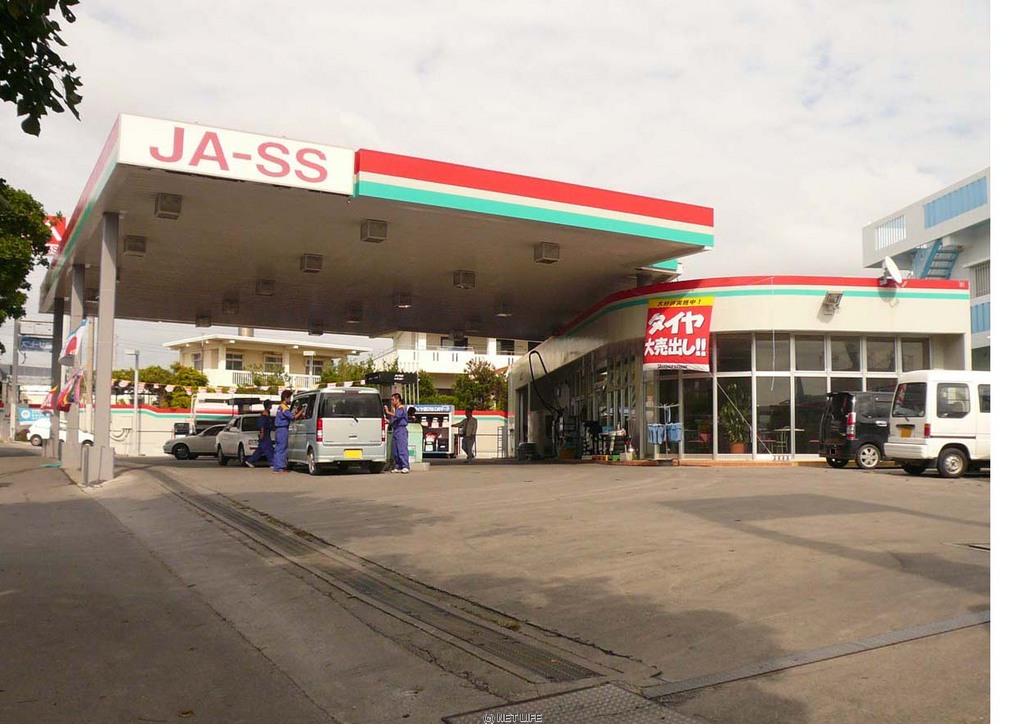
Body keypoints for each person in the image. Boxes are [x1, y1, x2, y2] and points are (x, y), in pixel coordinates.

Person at [271, 390, 303, 474]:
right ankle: (280, 468)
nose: (290, 400)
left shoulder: (280, 407)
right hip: (283, 429)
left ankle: (276, 467)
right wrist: (301, 411)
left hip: (278, 430)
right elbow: (293, 417)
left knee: (278, 448)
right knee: (282, 448)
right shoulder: (285, 408)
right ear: (286, 398)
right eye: (289, 398)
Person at [384, 392, 410, 473]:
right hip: (395, 430)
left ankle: (405, 466)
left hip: (401, 430)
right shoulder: (395, 409)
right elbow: (393, 421)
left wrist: (388, 412)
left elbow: (397, 416)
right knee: (395, 450)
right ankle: (398, 466)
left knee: (402, 448)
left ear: (397, 400)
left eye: (393, 400)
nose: (392, 402)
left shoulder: (401, 408)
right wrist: (387, 421)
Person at [244, 399, 274, 468]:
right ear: (268, 405)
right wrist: (262, 433)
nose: (271, 406)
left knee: (260, 450)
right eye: (271, 404)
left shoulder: (267, 413)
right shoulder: (264, 414)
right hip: (265, 433)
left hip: (267, 433)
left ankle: (250, 460)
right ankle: (272, 463)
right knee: (268, 449)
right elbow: (262, 424)